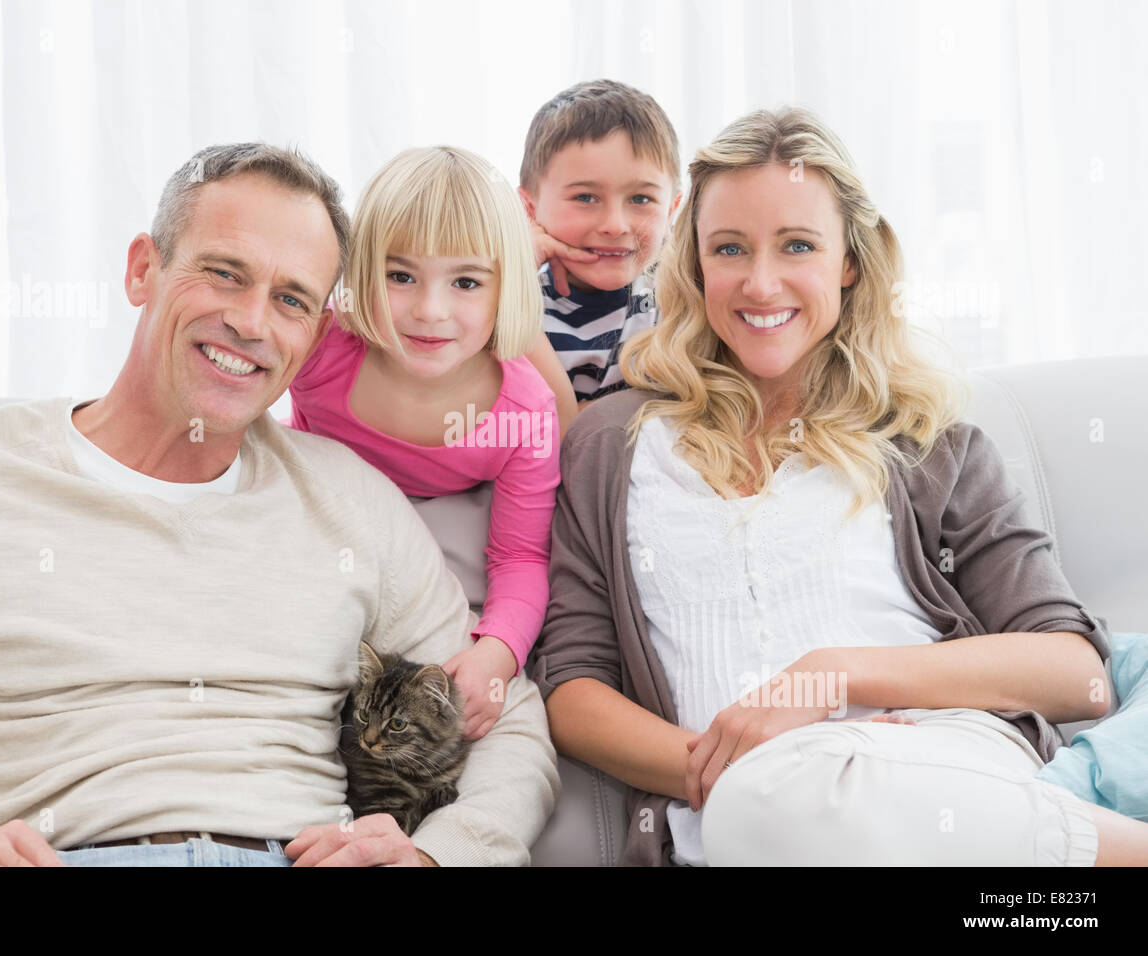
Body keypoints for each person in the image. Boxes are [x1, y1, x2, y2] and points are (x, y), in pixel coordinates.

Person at [0, 143, 557, 868]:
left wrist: (439, 856)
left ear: (316, 333)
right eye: (224, 273)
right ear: (141, 270)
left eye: (291, 300)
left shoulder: (352, 504)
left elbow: (509, 724)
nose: (251, 323)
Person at [530, 106, 1148, 866]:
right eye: (729, 248)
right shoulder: (611, 444)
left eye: (797, 245)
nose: (761, 283)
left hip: (938, 764)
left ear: (848, 260)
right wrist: (740, 761)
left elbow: (1075, 671)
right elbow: (573, 688)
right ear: (694, 264)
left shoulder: (922, 437)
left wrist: (831, 676)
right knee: (762, 806)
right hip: (735, 812)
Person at [287, 146, 559, 741]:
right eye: (400, 275)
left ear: (505, 288)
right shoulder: (320, 350)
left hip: (443, 536)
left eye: (466, 281)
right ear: (361, 274)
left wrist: (498, 654)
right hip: (323, 528)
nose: (429, 310)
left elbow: (519, 559)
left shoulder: (523, 411)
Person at [516, 78, 684, 428]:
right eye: (585, 198)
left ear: (672, 210)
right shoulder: (506, 301)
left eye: (641, 199)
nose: (615, 225)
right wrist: (515, 280)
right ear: (530, 209)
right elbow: (553, 430)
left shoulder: (681, 294)